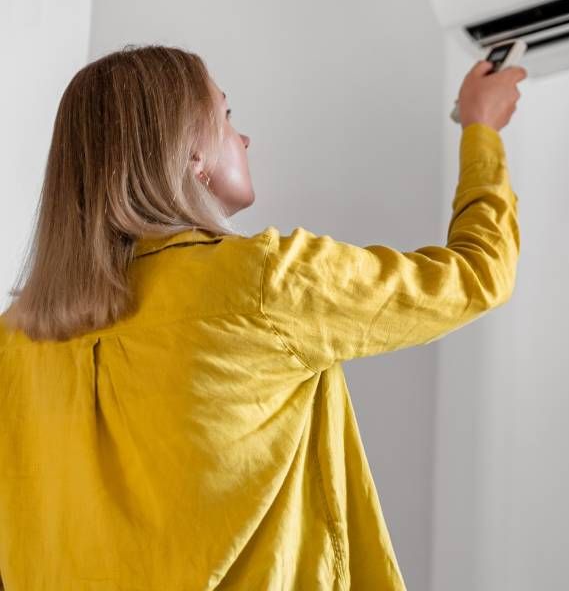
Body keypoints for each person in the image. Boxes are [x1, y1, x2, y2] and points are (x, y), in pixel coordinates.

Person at [0, 44, 525, 590]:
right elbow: (478, 273)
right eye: (226, 117)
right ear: (190, 154)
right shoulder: (260, 283)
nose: (243, 138)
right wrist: (481, 127)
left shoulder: (15, 339)